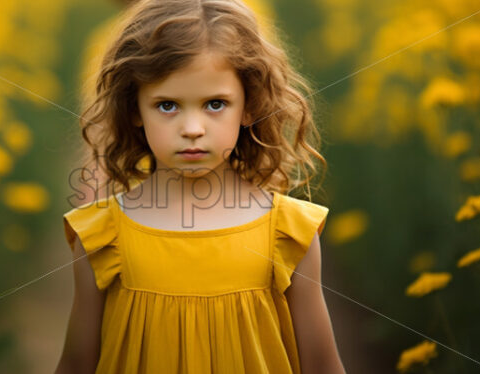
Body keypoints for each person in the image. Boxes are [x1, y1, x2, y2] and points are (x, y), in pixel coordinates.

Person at [56, 0, 345, 372]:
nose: (192, 128)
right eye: (167, 106)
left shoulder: (291, 233)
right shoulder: (100, 236)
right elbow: (77, 364)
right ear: (134, 110)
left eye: (214, 103)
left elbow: (322, 365)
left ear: (250, 106)